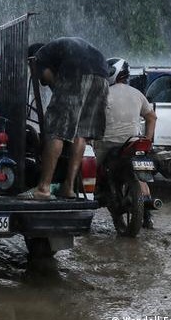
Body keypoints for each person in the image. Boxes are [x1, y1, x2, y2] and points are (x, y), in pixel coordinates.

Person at [21, 37, 110, 200]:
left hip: (76, 72)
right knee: (81, 133)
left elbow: (48, 78)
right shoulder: (61, 49)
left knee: (56, 131)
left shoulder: (39, 56)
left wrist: (62, 99)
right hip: (102, 75)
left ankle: (43, 188)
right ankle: (68, 188)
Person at [95, 57, 157, 227]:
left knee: (89, 172)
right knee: (141, 174)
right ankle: (148, 217)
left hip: (107, 145)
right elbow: (152, 117)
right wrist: (148, 140)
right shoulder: (138, 94)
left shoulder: (102, 93)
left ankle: (87, 203)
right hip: (133, 144)